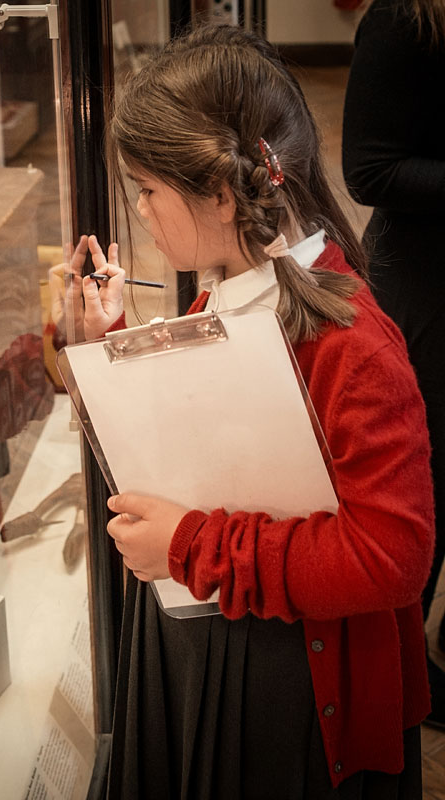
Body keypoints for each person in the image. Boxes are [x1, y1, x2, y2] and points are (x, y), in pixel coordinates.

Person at [71, 25, 435, 798]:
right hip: (222, 641)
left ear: (223, 192)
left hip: (296, 693)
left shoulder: (354, 347)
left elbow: (393, 558)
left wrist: (192, 547)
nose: (138, 208)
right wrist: (106, 352)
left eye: (146, 188)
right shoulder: (222, 292)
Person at [343, 0, 445, 724]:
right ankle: (401, 681)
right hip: (427, 284)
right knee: (425, 476)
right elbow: (369, 171)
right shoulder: (405, 19)